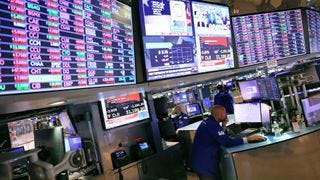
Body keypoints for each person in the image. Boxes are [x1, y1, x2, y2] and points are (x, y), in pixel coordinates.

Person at [189, 105, 265, 180]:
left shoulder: (209, 121)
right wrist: (247, 139)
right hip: (205, 164)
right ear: (220, 114)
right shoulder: (212, 125)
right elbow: (227, 142)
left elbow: (219, 136)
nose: (226, 115)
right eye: (225, 113)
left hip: (200, 161)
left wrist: (224, 124)